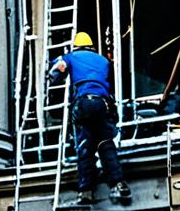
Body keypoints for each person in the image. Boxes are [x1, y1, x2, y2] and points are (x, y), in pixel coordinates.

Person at [49, 32, 131, 205]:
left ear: (76, 46)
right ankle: (118, 183)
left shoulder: (71, 56)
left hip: (84, 103)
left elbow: (60, 67)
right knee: (105, 142)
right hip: (102, 103)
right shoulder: (103, 60)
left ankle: (86, 191)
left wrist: (50, 77)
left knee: (85, 145)